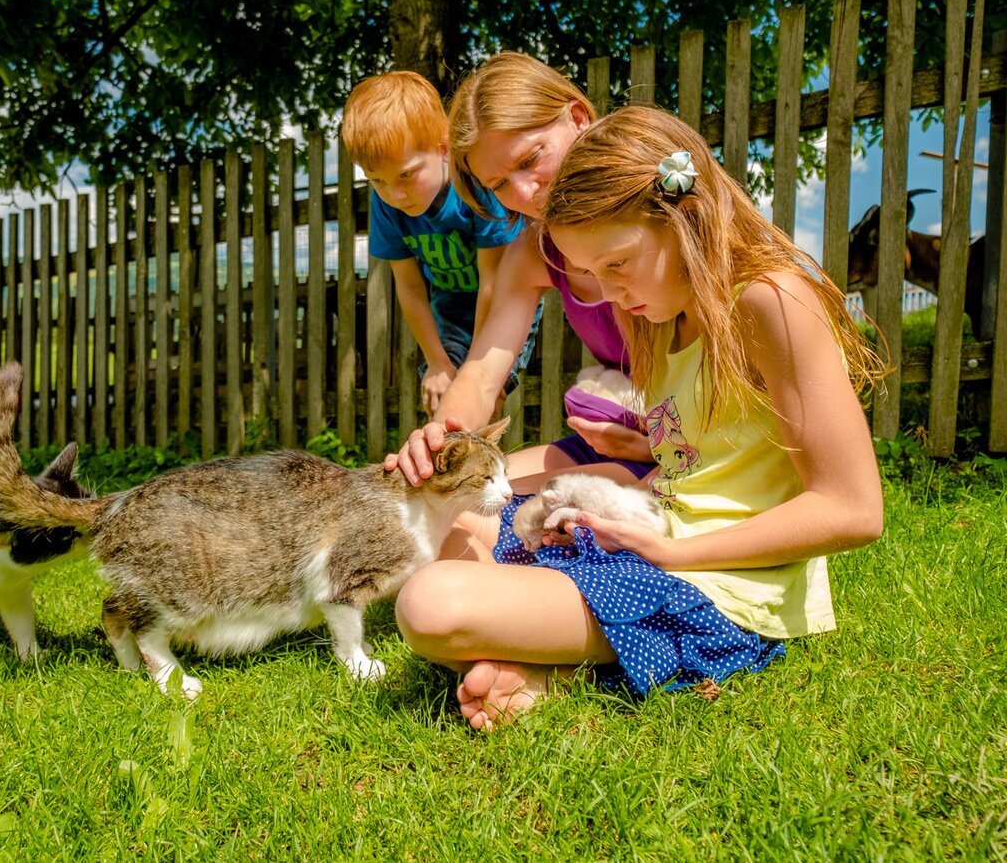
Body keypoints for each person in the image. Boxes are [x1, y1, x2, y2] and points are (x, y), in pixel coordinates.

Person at [394, 105, 886, 730]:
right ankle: (555, 660)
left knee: (430, 604)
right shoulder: (658, 314)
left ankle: (560, 655)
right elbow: (695, 467)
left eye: (617, 265)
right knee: (451, 517)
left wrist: (671, 554)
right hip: (649, 535)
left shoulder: (772, 301)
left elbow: (853, 510)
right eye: (594, 274)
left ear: (682, 218)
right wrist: (615, 494)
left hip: (720, 579)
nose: (608, 292)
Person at [384, 53, 653, 494]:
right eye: (500, 185)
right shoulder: (533, 251)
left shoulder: (659, 222)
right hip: (618, 439)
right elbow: (483, 373)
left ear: (579, 118)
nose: (525, 193)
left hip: (694, 449)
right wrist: (437, 440)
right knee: (466, 506)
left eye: (530, 160)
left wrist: (659, 449)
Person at [341, 71, 540, 417]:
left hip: (504, 298)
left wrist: (475, 370)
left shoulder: (475, 189)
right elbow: (409, 286)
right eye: (377, 181)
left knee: (481, 394)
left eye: (406, 174)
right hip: (448, 310)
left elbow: (492, 281)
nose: (394, 194)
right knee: (444, 397)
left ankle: (481, 468)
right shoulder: (385, 206)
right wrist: (437, 362)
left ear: (443, 146)